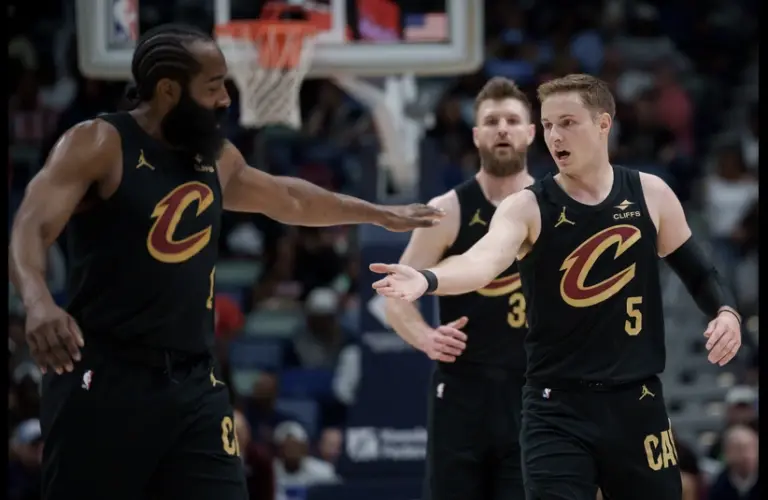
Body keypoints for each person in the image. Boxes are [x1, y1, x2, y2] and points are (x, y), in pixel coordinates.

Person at [8, 23, 443, 500]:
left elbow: (290, 199)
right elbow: (31, 223)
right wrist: (38, 301)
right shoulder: (100, 142)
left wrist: (380, 215)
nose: (225, 101)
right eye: (213, 87)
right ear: (170, 91)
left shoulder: (215, 156)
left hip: (195, 383)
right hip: (106, 376)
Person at [370, 73, 742, 500]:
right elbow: (483, 262)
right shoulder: (527, 206)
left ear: (604, 124)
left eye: (567, 122)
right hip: (555, 407)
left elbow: (700, 273)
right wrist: (429, 278)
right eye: (548, 125)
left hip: (637, 402)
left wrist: (726, 312)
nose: (554, 136)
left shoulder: (651, 194)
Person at [385, 77, 535, 500]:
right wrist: (425, 337)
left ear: (530, 132)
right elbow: (396, 293)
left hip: (533, 390)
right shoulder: (447, 210)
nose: (502, 128)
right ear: (476, 134)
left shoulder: (554, 207)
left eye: (511, 120)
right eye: (491, 121)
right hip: (462, 389)